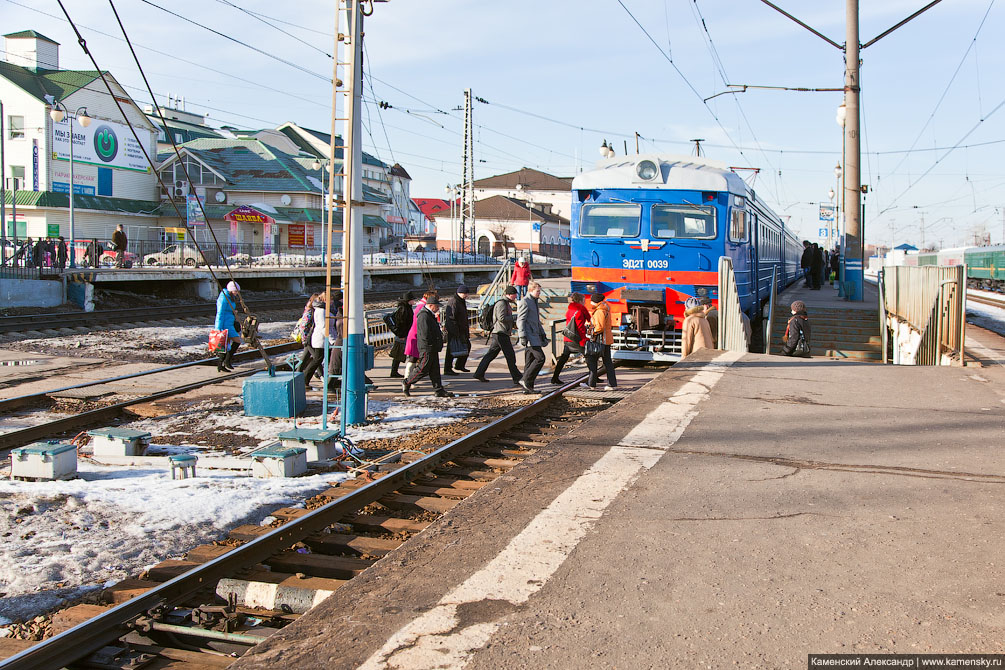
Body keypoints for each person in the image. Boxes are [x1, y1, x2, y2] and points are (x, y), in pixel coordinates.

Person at [404, 296, 453, 398]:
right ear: (431, 306)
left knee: (435, 369)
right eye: (437, 306)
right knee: (423, 368)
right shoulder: (424, 316)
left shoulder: (429, 314)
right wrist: (431, 343)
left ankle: (439, 390)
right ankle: (407, 382)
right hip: (427, 347)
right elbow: (425, 334)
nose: (438, 309)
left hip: (432, 347)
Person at [473, 285, 522, 384]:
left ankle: (479, 373)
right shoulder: (502, 304)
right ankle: (517, 377)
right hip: (500, 333)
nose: (516, 297)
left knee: (491, 354)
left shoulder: (506, 303)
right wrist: (515, 317)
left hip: (500, 333)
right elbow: (501, 318)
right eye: (514, 295)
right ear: (509, 294)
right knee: (510, 355)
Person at [551, 292, 590, 385]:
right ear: (581, 301)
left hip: (568, 338)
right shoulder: (581, 310)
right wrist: (583, 340)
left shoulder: (570, 309)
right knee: (589, 357)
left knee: (563, 358)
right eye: (584, 300)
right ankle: (594, 378)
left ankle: (554, 377)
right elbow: (581, 326)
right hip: (577, 339)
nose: (585, 302)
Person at [517, 280, 548, 394]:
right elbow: (521, 320)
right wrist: (522, 336)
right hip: (529, 336)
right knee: (540, 358)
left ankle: (528, 387)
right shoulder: (525, 302)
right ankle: (525, 380)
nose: (539, 293)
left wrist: (542, 333)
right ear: (531, 290)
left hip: (535, 335)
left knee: (529, 362)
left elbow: (536, 321)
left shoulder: (534, 301)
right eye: (538, 291)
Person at [583, 292, 617, 390]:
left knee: (593, 361)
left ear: (595, 301)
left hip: (601, 340)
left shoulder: (599, 311)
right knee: (608, 362)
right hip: (606, 339)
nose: (591, 302)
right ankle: (612, 384)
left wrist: (591, 331)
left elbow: (599, 327)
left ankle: (591, 384)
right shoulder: (604, 309)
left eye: (592, 300)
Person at [404, 290, 436, 378]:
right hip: (417, 335)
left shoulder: (421, 306)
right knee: (414, 358)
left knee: (416, 358)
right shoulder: (422, 307)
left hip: (417, 335)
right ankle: (407, 379)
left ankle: (409, 378)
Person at [214, 280, 242, 372]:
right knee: (236, 341)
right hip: (225, 324)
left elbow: (227, 311)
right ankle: (226, 361)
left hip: (229, 323)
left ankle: (221, 365)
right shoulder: (223, 298)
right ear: (231, 290)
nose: (237, 293)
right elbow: (220, 313)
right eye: (236, 291)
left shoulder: (229, 297)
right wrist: (218, 328)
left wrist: (233, 313)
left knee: (226, 345)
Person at [443, 285, 471, 375]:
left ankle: (459, 365)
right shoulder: (454, 302)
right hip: (455, 330)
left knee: (466, 346)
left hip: (462, 329)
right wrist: (455, 331)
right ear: (460, 293)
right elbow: (451, 318)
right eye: (465, 294)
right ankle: (447, 369)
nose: (466, 295)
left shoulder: (460, 301)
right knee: (451, 349)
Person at [388, 291, 416, 378]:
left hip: (403, 334)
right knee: (399, 353)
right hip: (402, 334)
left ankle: (394, 371)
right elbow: (402, 323)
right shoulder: (404, 309)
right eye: (412, 300)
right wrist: (402, 335)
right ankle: (394, 372)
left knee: (399, 353)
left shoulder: (405, 307)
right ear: (408, 300)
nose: (414, 302)